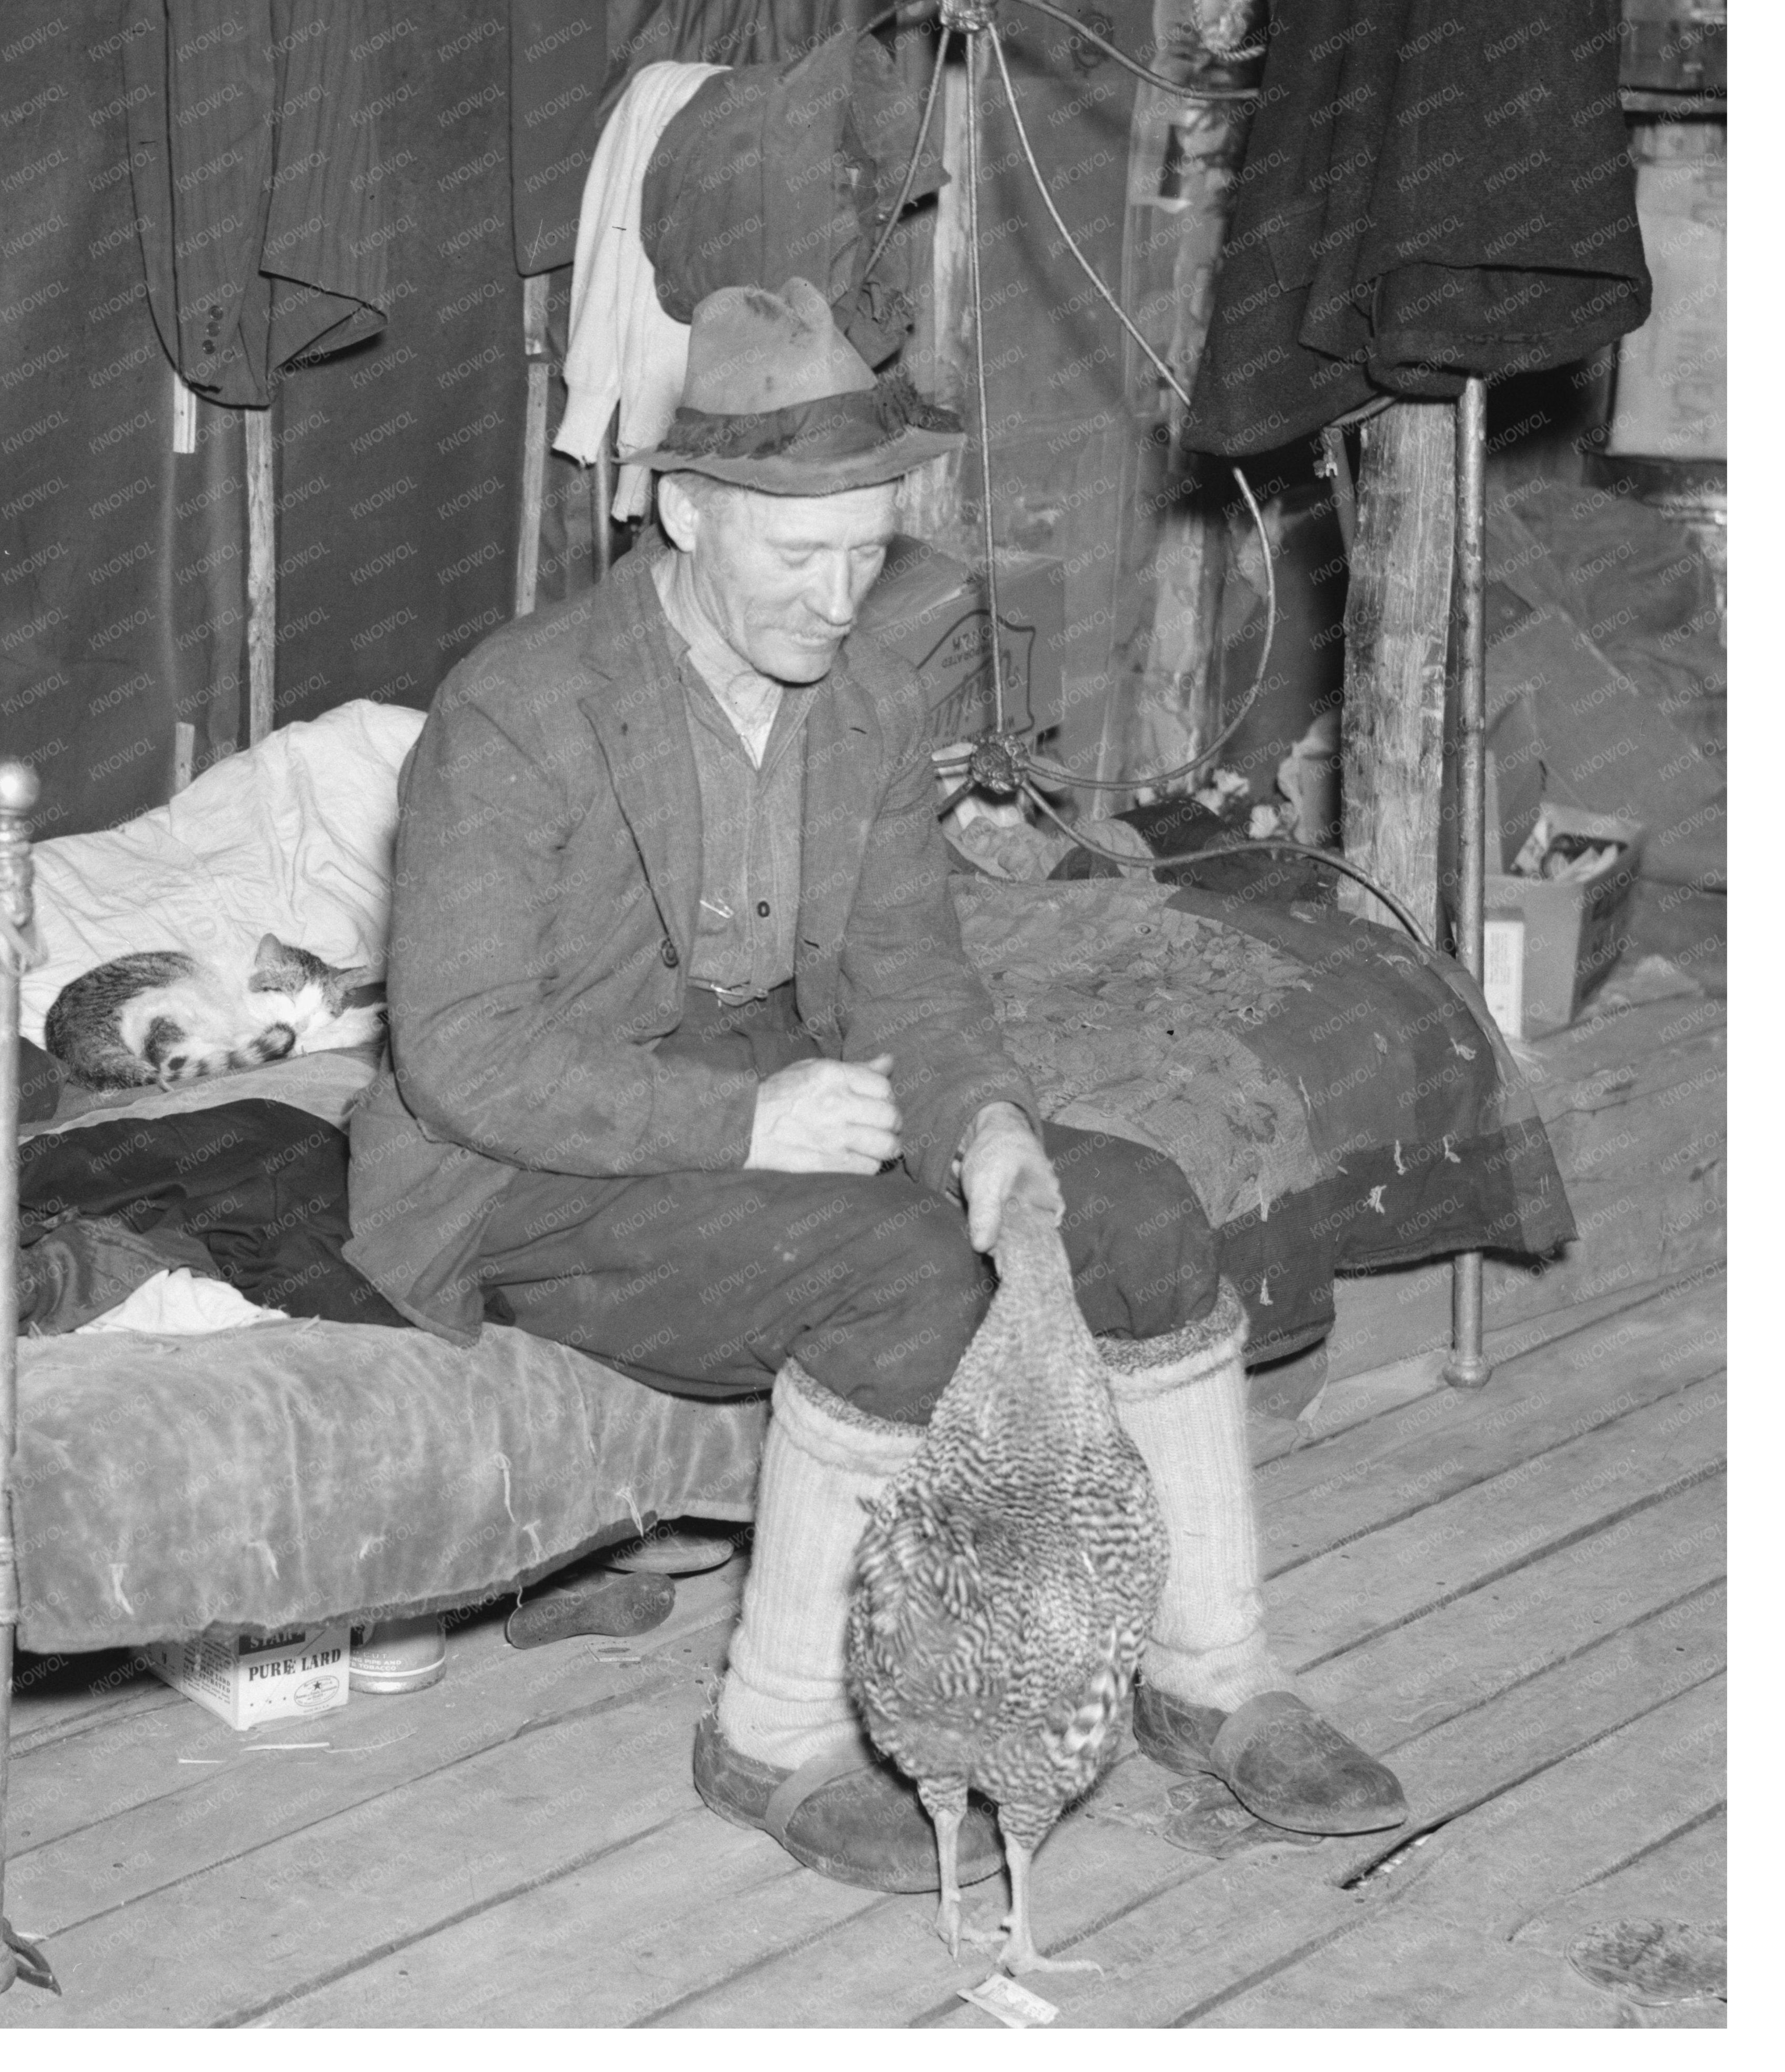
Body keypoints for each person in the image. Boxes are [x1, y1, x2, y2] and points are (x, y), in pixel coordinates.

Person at [344, 278, 1405, 1896]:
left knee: (1131, 1213)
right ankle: (769, 1732)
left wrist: (989, 1126)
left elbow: (905, 977)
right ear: (685, 511)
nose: (839, 596)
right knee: (905, 1278)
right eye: (798, 556)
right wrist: (744, 1122)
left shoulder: (869, 694)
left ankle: (1210, 1670)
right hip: (516, 1162)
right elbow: (460, 1052)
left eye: (864, 552)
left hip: (757, 1087)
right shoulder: (520, 706)